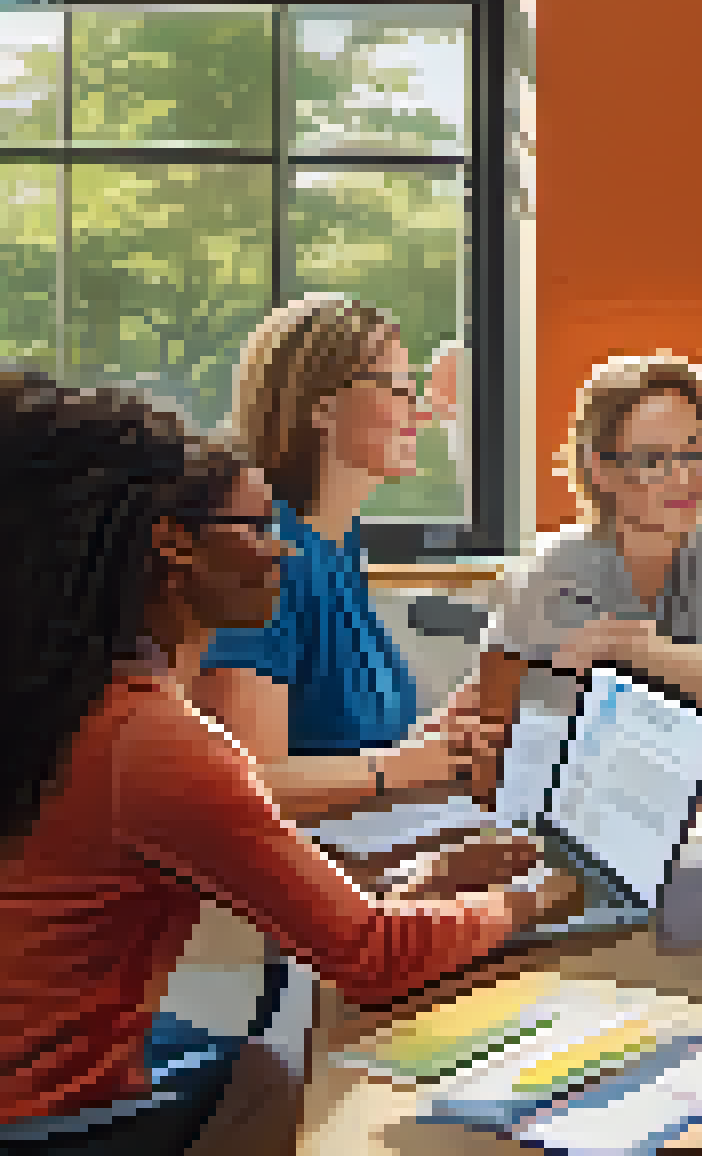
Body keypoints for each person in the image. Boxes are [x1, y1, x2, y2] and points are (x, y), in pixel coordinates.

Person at [0, 374, 571, 1145]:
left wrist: (419, 887)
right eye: (257, 528)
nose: (280, 551)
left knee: (275, 1063)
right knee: (318, 1094)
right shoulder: (152, 742)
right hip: (49, 1117)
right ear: (174, 545)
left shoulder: (68, 695)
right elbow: (372, 959)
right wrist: (539, 896)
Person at [189, 295, 508, 824]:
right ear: (322, 406)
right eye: (397, 387)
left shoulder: (338, 541)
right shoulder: (266, 557)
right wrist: (398, 767)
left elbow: (345, 739)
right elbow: (244, 785)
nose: (420, 409)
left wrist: (438, 739)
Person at [476, 353, 702, 718]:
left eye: (694, 451)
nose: (685, 478)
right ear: (601, 470)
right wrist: (698, 672)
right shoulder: (556, 569)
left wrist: (627, 643)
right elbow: (543, 698)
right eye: (654, 459)